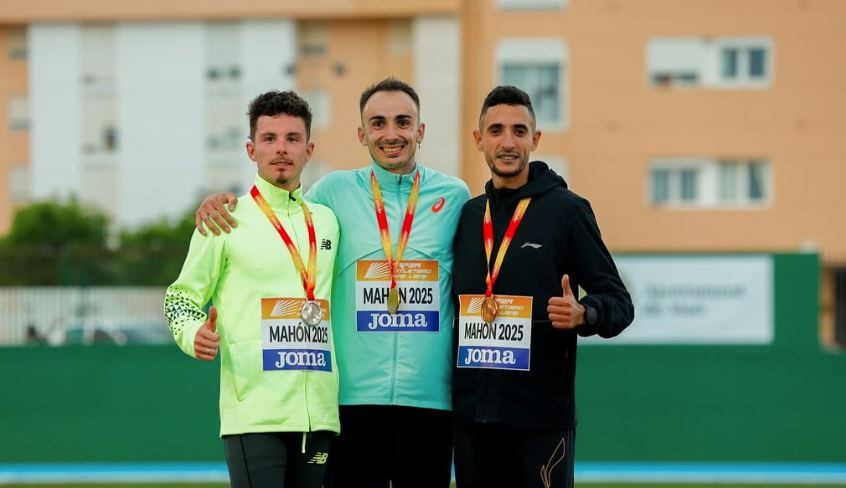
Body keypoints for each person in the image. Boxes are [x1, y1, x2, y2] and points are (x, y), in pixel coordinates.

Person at [194, 78, 470, 488]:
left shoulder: (456, 196)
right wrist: (222, 202)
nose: (391, 134)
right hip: (351, 402)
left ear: (421, 130)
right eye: (377, 123)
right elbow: (281, 204)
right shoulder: (333, 194)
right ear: (361, 134)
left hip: (429, 400)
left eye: (403, 122)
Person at [451, 85, 635, 488]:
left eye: (519, 131)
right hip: (473, 423)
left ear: (535, 140)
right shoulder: (467, 217)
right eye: (496, 130)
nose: (508, 142)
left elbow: (620, 303)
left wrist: (585, 313)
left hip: (540, 424)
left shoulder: (567, 210)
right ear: (478, 139)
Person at [164, 91, 340, 488]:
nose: (281, 149)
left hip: (320, 416)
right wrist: (194, 334)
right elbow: (180, 297)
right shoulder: (226, 220)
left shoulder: (328, 221)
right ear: (250, 148)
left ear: (309, 150)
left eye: (292, 139)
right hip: (255, 415)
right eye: (269, 138)